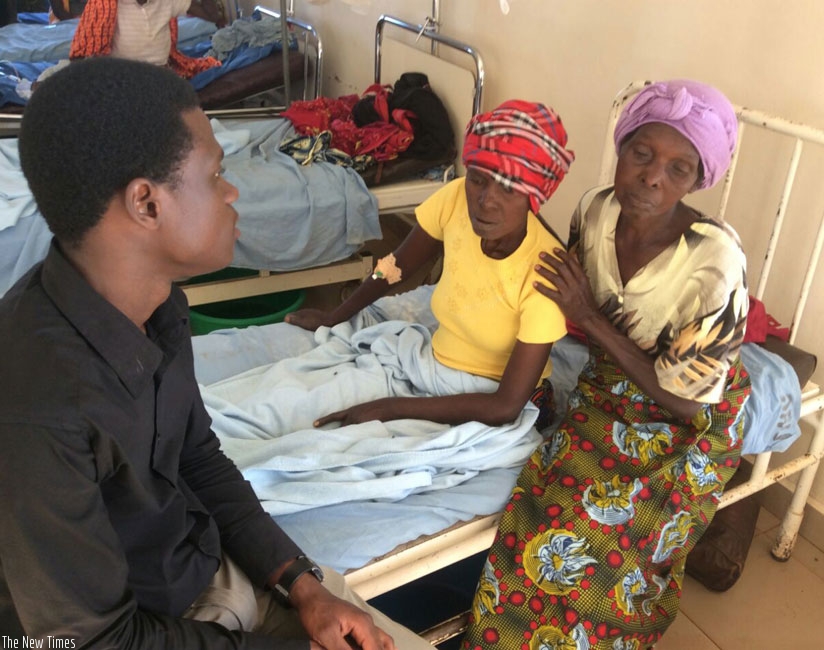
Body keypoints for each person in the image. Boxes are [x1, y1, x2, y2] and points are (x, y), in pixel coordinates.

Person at [0, 56, 433, 650]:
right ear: (146, 204)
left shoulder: (158, 306)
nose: (231, 192)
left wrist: (303, 585)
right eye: (214, 175)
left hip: (203, 582)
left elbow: (197, 458)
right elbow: (94, 641)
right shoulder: (37, 410)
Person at [462, 80, 751, 650]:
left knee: (595, 546)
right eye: (642, 154)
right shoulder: (594, 211)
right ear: (622, 149)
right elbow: (559, 287)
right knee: (534, 510)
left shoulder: (716, 261)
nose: (652, 177)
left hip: (688, 424)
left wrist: (589, 320)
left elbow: (686, 398)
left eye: (678, 169)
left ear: (699, 180)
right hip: (607, 391)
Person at [285, 99, 574, 428]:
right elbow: (394, 266)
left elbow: (505, 407)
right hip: (430, 365)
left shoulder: (544, 275)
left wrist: (391, 408)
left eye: (509, 188)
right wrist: (337, 315)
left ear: (535, 195)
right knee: (304, 397)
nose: (486, 201)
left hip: (485, 399)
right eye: (478, 179)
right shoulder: (454, 200)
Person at [68, 0, 225, 78]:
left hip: (160, 72)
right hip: (123, 74)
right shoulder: (109, 5)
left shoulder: (167, 2)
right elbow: (84, 48)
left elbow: (211, 16)